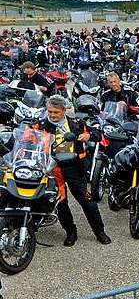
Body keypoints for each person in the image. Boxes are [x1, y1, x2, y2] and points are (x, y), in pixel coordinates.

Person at [44, 95, 112, 245]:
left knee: (88, 202)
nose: (52, 115)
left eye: (56, 112)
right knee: (60, 203)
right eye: (50, 111)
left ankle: (99, 231)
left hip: (74, 167)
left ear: (63, 111)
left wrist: (88, 135)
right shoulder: (40, 125)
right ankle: (70, 232)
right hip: (53, 170)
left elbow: (99, 134)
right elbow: (26, 139)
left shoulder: (76, 124)